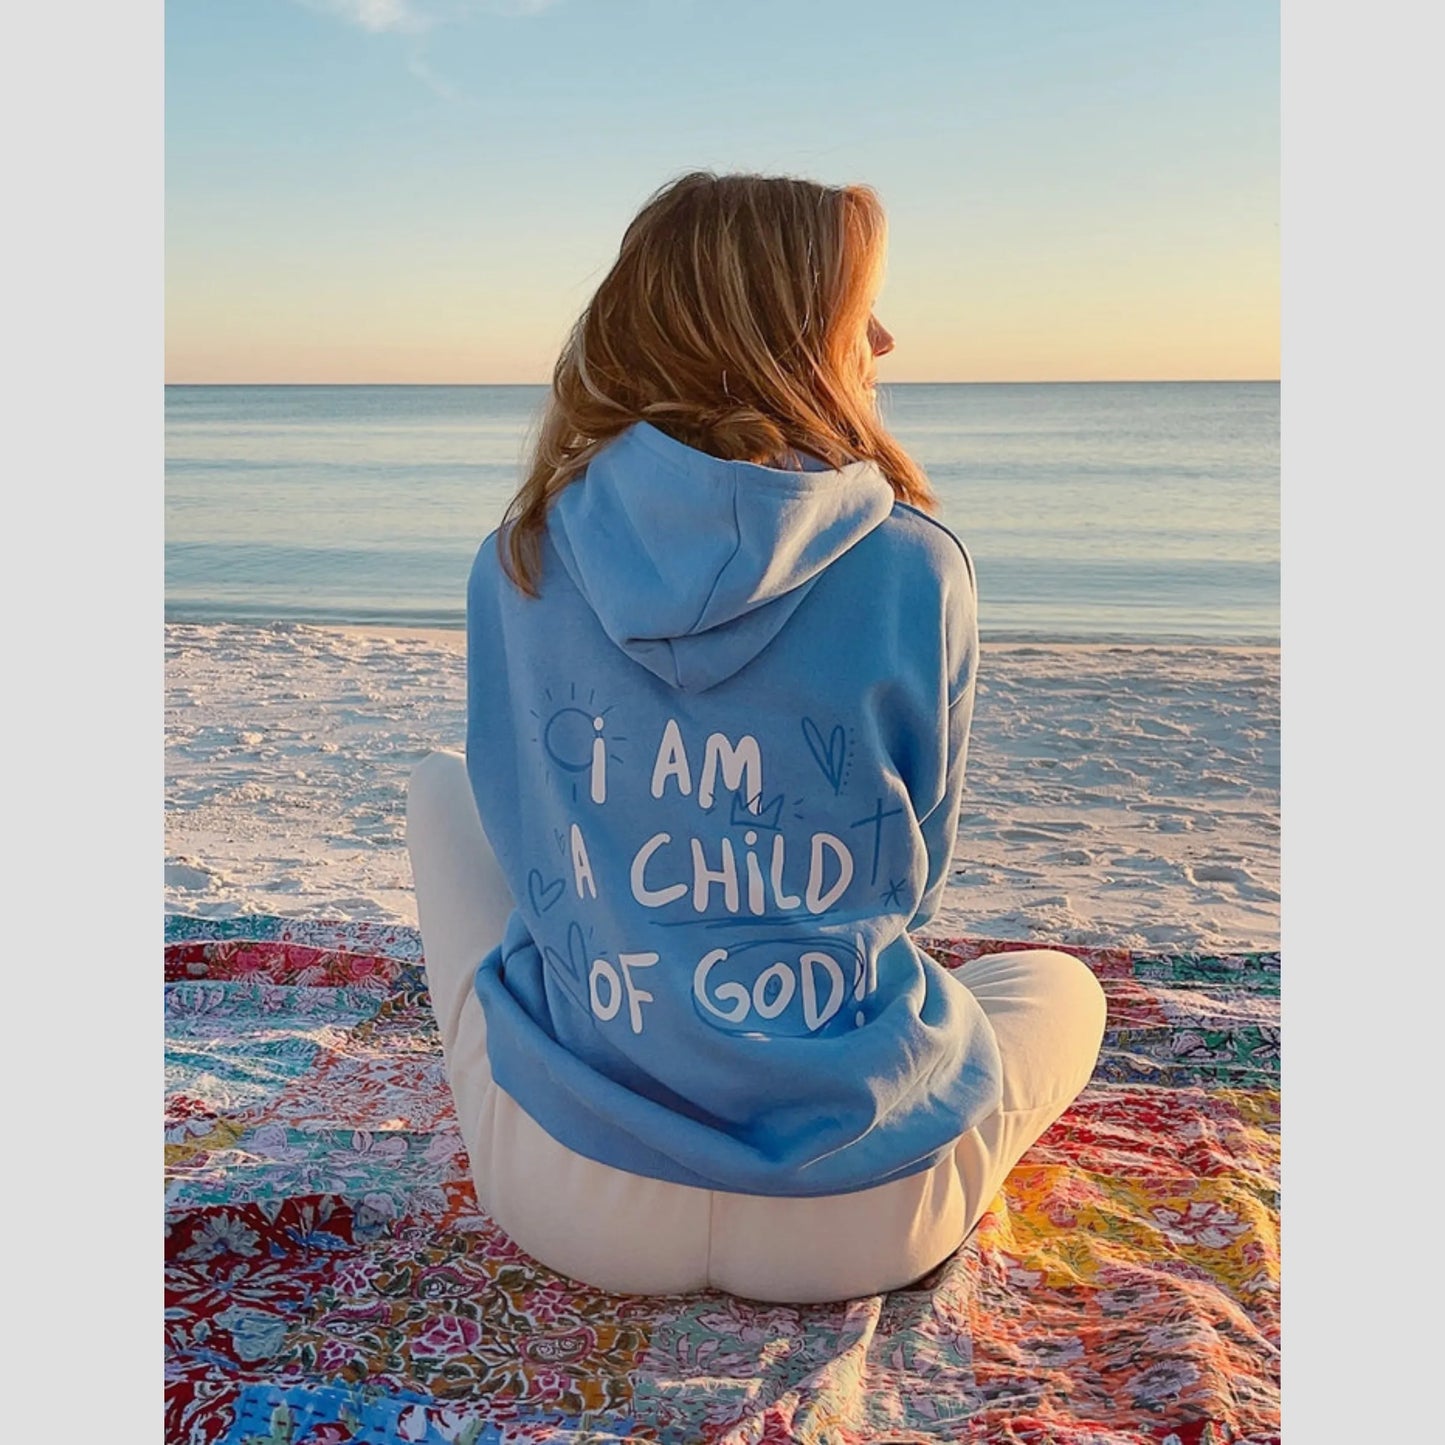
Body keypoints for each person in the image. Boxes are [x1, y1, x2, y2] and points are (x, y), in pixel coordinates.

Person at [406, 170, 1105, 1304]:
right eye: (857, 309)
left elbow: (522, 822)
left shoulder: (520, 555)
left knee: (438, 791)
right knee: (1059, 987)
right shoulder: (914, 564)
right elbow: (913, 876)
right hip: (858, 1208)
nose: (884, 338)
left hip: (573, 1194)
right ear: (783, 335)